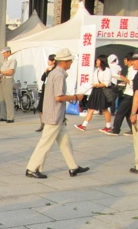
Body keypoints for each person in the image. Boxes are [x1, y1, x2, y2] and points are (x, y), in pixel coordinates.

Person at [25, 48, 90, 179]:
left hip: (55, 114)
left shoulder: (54, 73)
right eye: (70, 61)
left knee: (65, 142)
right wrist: (75, 97)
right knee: (45, 143)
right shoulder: (59, 75)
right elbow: (58, 97)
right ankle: (32, 168)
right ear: (64, 62)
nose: (71, 63)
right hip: (54, 115)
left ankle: (73, 167)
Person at [75, 55, 113, 132]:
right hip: (96, 90)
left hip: (102, 91)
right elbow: (94, 81)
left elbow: (106, 83)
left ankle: (108, 126)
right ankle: (84, 125)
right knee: (91, 108)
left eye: (98, 60)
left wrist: (96, 85)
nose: (97, 62)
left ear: (102, 61)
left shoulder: (107, 70)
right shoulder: (97, 70)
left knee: (104, 109)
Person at [103, 53, 136, 136]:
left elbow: (133, 83)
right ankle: (133, 129)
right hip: (129, 93)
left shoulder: (133, 70)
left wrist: (125, 79)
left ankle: (116, 129)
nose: (124, 61)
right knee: (127, 113)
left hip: (130, 94)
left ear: (130, 61)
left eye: (125, 59)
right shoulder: (130, 69)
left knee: (120, 112)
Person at [35, 54, 56, 132]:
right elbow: (42, 78)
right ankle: (42, 124)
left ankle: (49, 125)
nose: (48, 61)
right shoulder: (48, 69)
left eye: (49, 60)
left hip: (50, 91)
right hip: (44, 90)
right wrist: (45, 71)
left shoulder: (55, 70)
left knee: (49, 109)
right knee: (40, 108)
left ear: (53, 61)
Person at [0, 47, 16, 123]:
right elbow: (4, 71)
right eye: (3, 53)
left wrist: (0, 72)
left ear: (9, 52)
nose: (3, 54)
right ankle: (3, 116)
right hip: (3, 79)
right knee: (2, 98)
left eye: (4, 53)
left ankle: (10, 117)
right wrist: (0, 76)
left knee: (8, 98)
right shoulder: (5, 60)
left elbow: (10, 72)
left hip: (8, 79)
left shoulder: (12, 60)